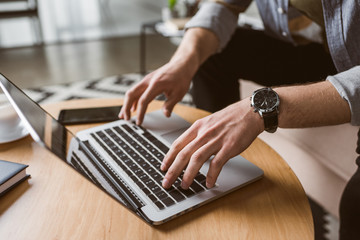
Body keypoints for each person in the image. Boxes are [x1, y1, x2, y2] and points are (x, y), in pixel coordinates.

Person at [119, 1, 360, 238]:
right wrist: (184, 60)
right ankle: (215, 170)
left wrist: (261, 109)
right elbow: (225, 4)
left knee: (355, 204)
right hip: (327, 51)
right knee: (212, 55)